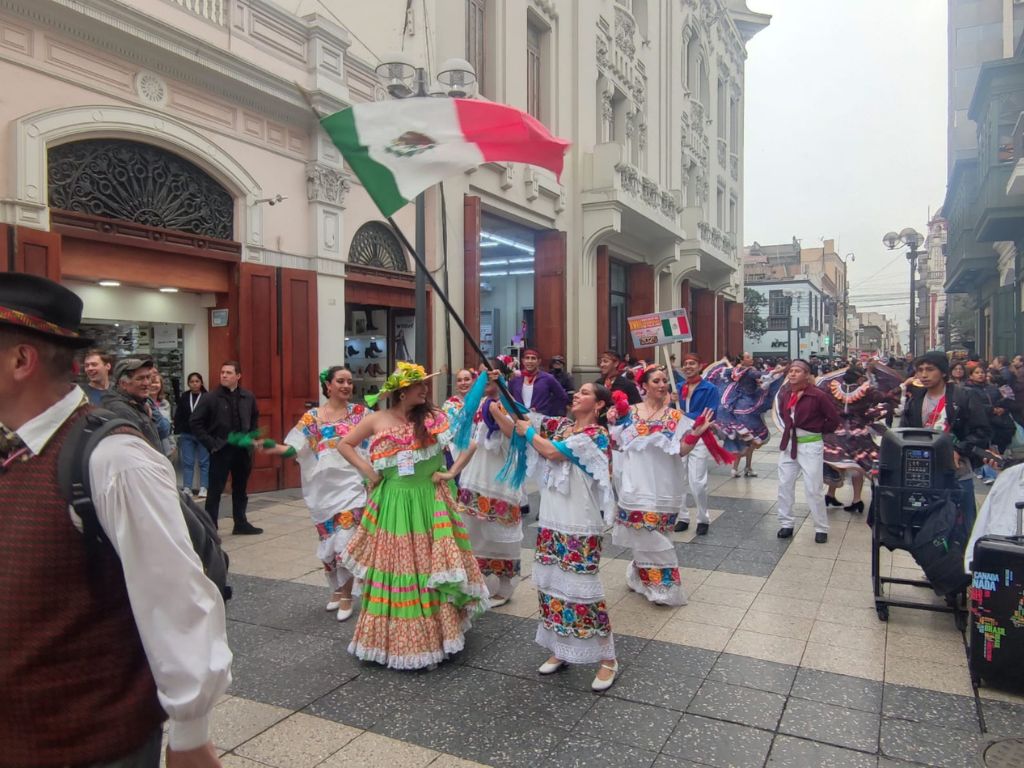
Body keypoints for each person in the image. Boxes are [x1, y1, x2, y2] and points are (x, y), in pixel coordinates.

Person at [0, 272, 230, 768]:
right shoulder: (13, 447)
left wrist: (190, 737)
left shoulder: (112, 458)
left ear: (21, 360)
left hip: (87, 745)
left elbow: (177, 598)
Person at [338, 362, 487, 669]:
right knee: (397, 566)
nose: (425, 390)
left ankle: (434, 640)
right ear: (403, 391)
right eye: (420, 385)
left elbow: (470, 442)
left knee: (428, 566)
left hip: (428, 500)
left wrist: (451, 473)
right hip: (393, 501)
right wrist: (369, 471)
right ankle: (397, 643)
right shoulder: (377, 419)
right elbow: (345, 444)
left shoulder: (433, 417)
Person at [497, 382, 620, 691]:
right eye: (577, 392)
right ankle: (561, 649)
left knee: (584, 590)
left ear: (599, 406)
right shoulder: (561, 425)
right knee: (552, 586)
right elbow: (521, 420)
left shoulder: (596, 436)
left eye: (585, 393)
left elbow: (548, 449)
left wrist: (526, 430)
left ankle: (608, 658)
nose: (576, 395)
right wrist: (495, 395)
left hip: (580, 523)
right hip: (553, 521)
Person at [261, 366, 368, 621]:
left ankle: (347, 596)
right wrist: (270, 447)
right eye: (340, 381)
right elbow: (292, 449)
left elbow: (381, 433)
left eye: (349, 382)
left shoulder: (361, 414)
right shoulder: (312, 417)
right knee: (329, 544)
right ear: (328, 385)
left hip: (352, 486)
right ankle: (336, 589)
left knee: (345, 540)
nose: (346, 386)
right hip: (322, 491)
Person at [611, 364, 718, 606]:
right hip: (635, 482)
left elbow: (681, 450)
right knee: (646, 533)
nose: (662, 385)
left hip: (665, 484)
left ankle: (639, 573)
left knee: (658, 533)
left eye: (664, 381)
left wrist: (697, 433)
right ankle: (663, 588)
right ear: (644, 386)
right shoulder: (628, 412)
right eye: (656, 381)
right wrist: (611, 419)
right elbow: (617, 444)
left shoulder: (676, 417)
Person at [439, 359, 526, 608]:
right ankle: (481, 578)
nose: (484, 377)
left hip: (500, 476)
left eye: (490, 373)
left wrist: (498, 412)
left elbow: (517, 433)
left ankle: (507, 583)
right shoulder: (475, 404)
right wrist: (453, 470)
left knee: (502, 531)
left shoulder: (508, 403)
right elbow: (472, 439)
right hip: (476, 475)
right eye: (482, 373)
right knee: (474, 529)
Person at [900, 351, 992, 534]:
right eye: (920, 370)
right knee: (928, 526)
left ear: (943, 372)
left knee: (962, 524)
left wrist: (958, 449)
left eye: (930, 369)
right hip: (923, 471)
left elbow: (981, 431)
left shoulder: (964, 396)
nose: (924, 375)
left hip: (957, 472)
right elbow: (905, 433)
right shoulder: (915, 400)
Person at [191, 361, 263, 535]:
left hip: (242, 450)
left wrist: (252, 438)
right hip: (220, 449)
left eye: (229, 373)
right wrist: (211, 444)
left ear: (238, 376)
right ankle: (210, 528)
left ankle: (240, 523)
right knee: (215, 491)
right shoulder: (211, 398)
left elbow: (254, 419)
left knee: (240, 488)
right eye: (222, 372)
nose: (224, 375)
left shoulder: (248, 397)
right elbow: (195, 422)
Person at [820, 362, 901, 514]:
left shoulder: (833, 388)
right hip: (857, 431)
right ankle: (856, 500)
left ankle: (831, 494)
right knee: (857, 465)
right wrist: (900, 388)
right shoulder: (866, 391)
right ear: (859, 379)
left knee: (839, 462)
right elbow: (884, 397)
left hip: (836, 430)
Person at [776, 360, 841, 543]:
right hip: (789, 444)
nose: (792, 374)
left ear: (807, 375)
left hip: (811, 444)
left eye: (797, 371)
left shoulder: (818, 396)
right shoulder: (785, 393)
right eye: (791, 371)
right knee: (784, 484)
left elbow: (833, 420)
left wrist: (817, 428)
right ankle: (786, 523)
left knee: (813, 488)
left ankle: (821, 527)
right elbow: (783, 414)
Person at [707, 353, 785, 478]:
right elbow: (762, 376)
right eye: (748, 357)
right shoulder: (748, 371)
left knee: (743, 440)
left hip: (737, 405)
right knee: (750, 441)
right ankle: (744, 467)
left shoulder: (735, 370)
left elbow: (727, 373)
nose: (751, 359)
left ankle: (739, 468)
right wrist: (781, 370)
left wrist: (725, 362)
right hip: (749, 407)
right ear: (742, 360)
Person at [675, 353, 722, 534]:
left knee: (697, 482)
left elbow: (710, 413)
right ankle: (682, 516)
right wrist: (671, 405)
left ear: (699, 366)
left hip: (700, 437)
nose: (688, 366)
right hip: (679, 437)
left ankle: (703, 517)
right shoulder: (677, 387)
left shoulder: (709, 389)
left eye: (692, 363)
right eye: (685, 363)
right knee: (678, 479)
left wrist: (685, 416)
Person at [101, 358, 162, 450]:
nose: (146, 383)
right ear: (123, 384)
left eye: (148, 377)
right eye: (140, 378)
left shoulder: (140, 403)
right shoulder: (120, 410)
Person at [175, 372, 210, 498]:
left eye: (197, 381)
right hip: (187, 434)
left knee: (204, 462)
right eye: (192, 382)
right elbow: (178, 414)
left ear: (201, 383)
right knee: (187, 462)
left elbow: (212, 415)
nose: (194, 384)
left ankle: (203, 487)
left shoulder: (207, 396)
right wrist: (177, 432)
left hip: (203, 434)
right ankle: (187, 488)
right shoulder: (185, 397)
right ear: (188, 383)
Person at [508, 349, 568, 417]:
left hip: (540, 419)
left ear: (539, 361)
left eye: (533, 358)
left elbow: (562, 397)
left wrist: (549, 410)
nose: (530, 361)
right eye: (527, 358)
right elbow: (508, 397)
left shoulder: (548, 378)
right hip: (520, 418)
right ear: (523, 361)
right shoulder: (516, 379)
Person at [149, 368, 175, 458]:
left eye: (156, 382)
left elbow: (169, 425)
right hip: (151, 448)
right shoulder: (143, 404)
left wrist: (172, 444)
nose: (153, 385)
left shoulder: (165, 403)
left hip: (166, 448)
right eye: (151, 382)